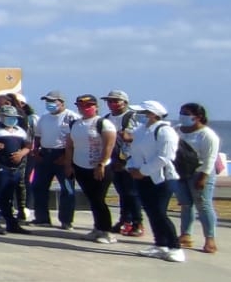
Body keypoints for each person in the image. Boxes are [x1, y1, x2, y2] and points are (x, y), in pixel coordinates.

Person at [127, 100, 183, 262]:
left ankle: (175, 246)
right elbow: (133, 152)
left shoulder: (165, 131)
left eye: (143, 113)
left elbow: (165, 157)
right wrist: (132, 167)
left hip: (161, 179)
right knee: (151, 212)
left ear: (152, 114)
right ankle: (160, 244)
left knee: (160, 213)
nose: (139, 116)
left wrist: (143, 171)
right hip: (141, 178)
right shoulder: (140, 131)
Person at [64, 93, 118, 244]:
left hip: (100, 168)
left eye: (88, 105)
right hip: (80, 167)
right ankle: (97, 228)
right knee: (92, 200)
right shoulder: (74, 124)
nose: (85, 108)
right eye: (81, 106)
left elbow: (109, 145)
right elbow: (69, 146)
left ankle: (107, 231)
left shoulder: (103, 123)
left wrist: (101, 164)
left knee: (99, 199)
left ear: (96, 107)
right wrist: (68, 165)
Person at [174, 103, 220, 254]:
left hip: (199, 172)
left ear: (197, 117)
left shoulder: (207, 135)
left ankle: (210, 239)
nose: (182, 116)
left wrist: (204, 177)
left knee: (203, 205)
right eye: (181, 112)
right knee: (186, 204)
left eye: (186, 113)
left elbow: (210, 159)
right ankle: (186, 234)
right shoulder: (176, 131)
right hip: (181, 172)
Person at [0, 105, 31, 235]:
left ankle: (11, 223)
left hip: (15, 168)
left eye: (13, 118)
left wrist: (21, 154)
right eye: (8, 117)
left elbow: (27, 146)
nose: (11, 120)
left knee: (8, 197)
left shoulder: (20, 130)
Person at [29, 90, 75, 228]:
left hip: (62, 154)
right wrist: (36, 150)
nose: (49, 104)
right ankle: (42, 218)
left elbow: (74, 139)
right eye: (47, 101)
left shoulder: (71, 117)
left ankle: (66, 221)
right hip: (45, 155)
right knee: (38, 187)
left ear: (61, 102)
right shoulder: (44, 117)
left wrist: (67, 157)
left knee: (67, 189)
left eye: (53, 101)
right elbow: (38, 135)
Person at [102, 90, 145, 237]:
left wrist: (129, 137)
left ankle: (137, 222)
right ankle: (124, 220)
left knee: (132, 193)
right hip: (114, 159)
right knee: (122, 192)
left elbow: (145, 135)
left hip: (130, 160)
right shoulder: (106, 118)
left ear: (125, 102)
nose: (112, 104)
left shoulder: (133, 117)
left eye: (116, 101)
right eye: (109, 101)